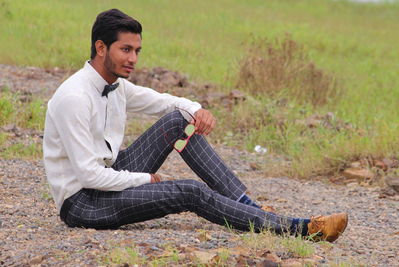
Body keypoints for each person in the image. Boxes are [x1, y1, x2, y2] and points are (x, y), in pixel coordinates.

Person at [43, 8, 348, 242]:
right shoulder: (74, 97)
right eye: (126, 50)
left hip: (108, 178)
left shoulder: (116, 85)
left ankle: (249, 207)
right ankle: (302, 229)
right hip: (84, 202)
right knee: (191, 192)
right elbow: (88, 174)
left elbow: (163, 101)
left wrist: (196, 109)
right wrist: (146, 180)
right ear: (100, 48)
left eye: (137, 51)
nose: (134, 58)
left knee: (179, 121)